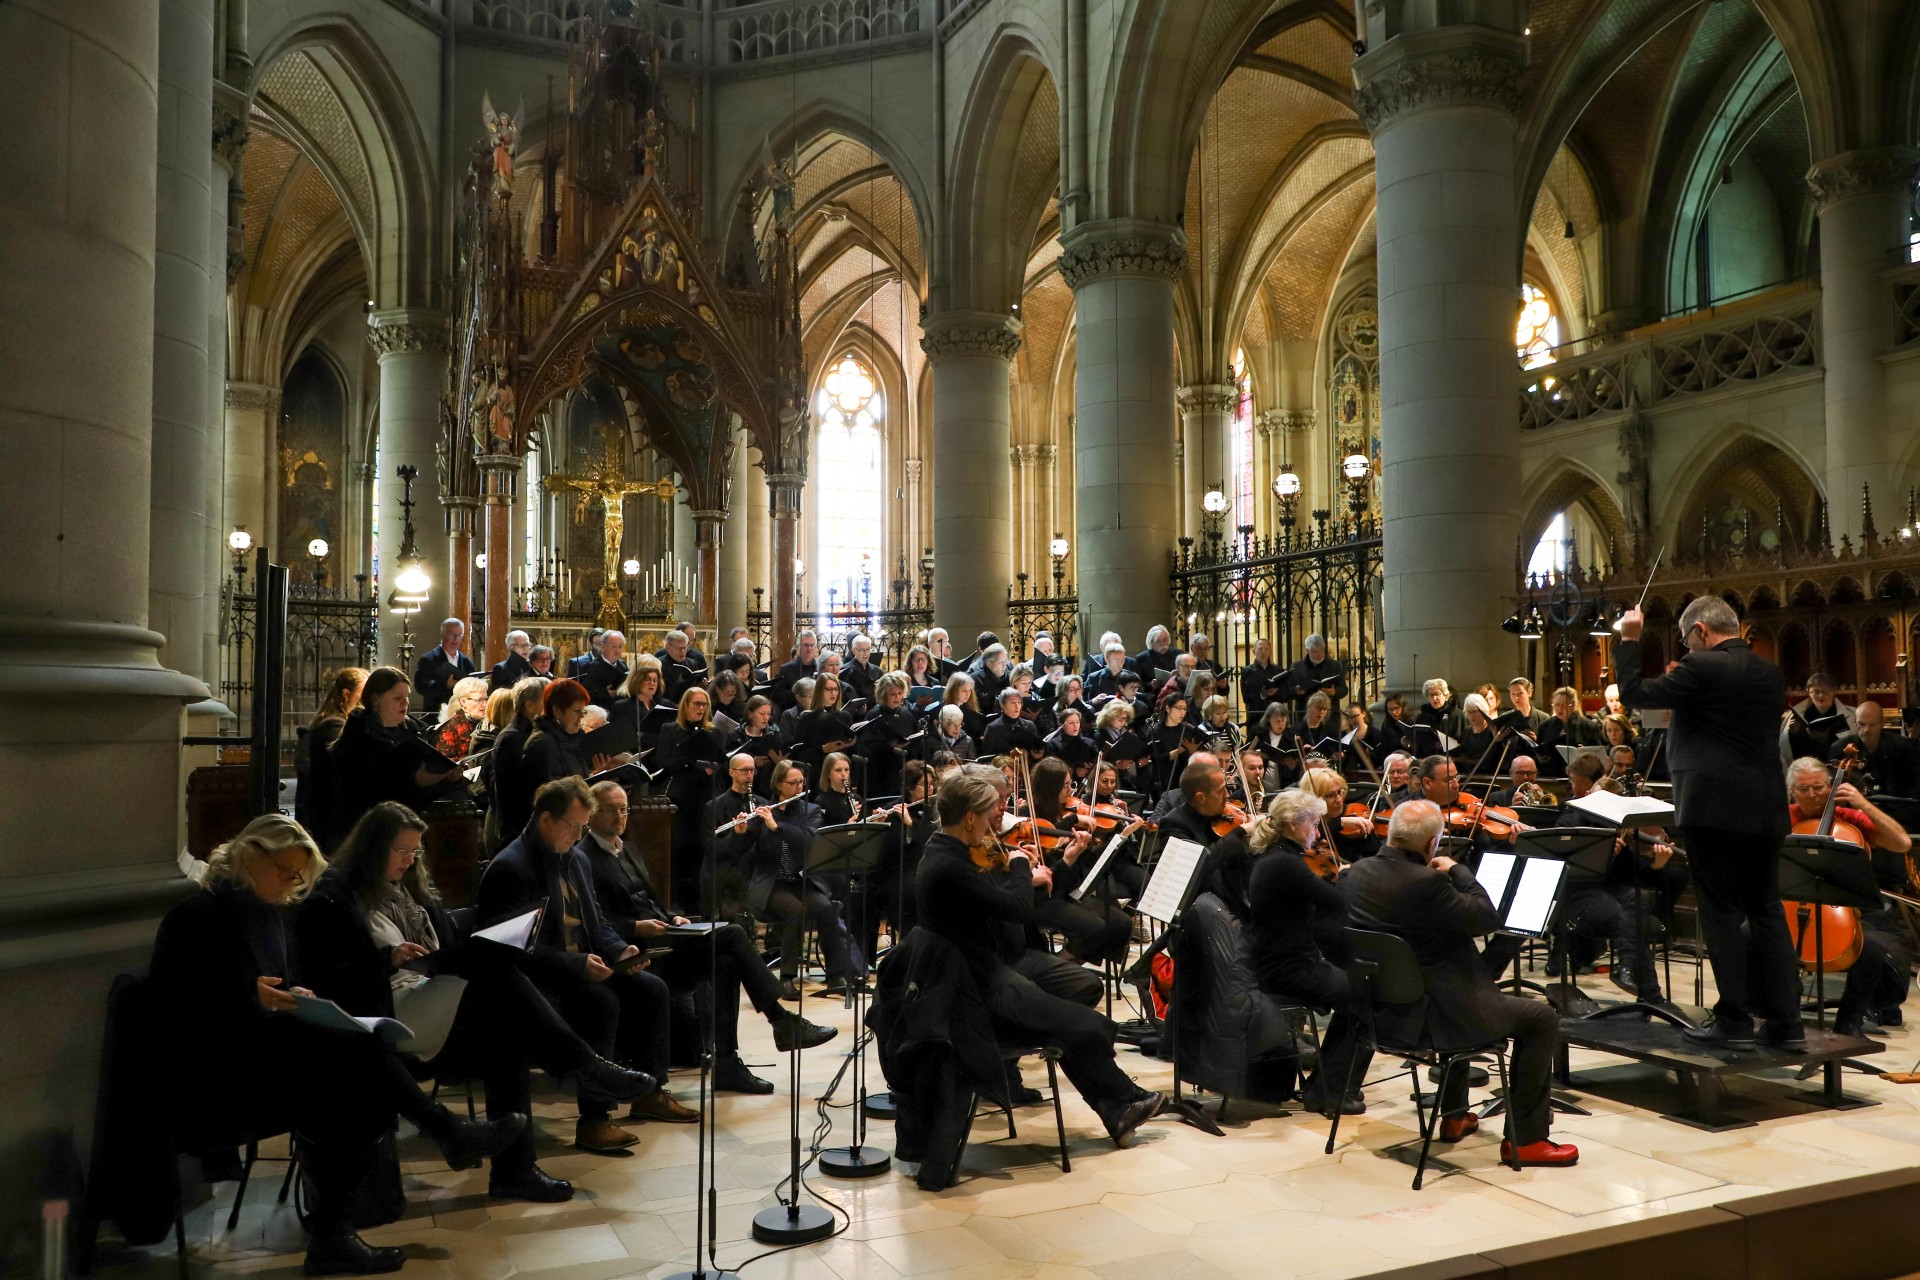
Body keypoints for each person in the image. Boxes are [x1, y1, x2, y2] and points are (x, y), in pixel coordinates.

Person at [149, 817, 524, 1275]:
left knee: (357, 1076)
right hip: (214, 1075)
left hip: (264, 1057)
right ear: (251, 855)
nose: (292, 883)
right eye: (286, 871)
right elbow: (176, 1013)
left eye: (298, 877)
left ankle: (338, 1230)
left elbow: (280, 983)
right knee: (356, 1061)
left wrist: (294, 994)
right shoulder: (194, 917)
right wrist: (255, 998)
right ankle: (434, 1137)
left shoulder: (270, 912)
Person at [297, 802, 658, 1203]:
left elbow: (444, 947)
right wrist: (386, 960)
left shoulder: (412, 890)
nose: (409, 860)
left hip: (430, 994)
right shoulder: (336, 898)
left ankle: (515, 1170)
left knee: (506, 1023)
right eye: (401, 851)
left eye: (415, 851)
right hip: (387, 1009)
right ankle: (583, 1068)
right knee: (499, 979)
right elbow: (327, 977)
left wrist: (458, 952)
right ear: (372, 848)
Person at [917, 765, 1164, 1145]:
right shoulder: (952, 866)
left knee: (1076, 1020)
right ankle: (1119, 1101)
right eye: (987, 815)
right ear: (969, 818)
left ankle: (1119, 1106)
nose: (990, 825)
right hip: (978, 989)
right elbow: (1015, 907)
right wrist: (1019, 865)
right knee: (1079, 1025)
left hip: (985, 973)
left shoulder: (951, 852)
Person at [1342, 800, 1577, 1166]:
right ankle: (1526, 1140)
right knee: (1541, 1018)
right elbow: (1486, 917)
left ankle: (1454, 1116)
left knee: (1458, 991)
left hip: (1378, 1015)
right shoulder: (1429, 882)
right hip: (1432, 1019)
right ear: (1432, 842)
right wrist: (1458, 870)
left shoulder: (1355, 873)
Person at [475, 777, 700, 1152]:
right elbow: (514, 952)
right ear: (546, 820)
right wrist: (579, 965)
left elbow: (598, 922)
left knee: (651, 988)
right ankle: (594, 1120)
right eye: (573, 827)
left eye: (583, 828)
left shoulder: (575, 858)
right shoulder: (511, 868)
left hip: (584, 964)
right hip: (538, 978)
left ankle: (650, 1091)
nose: (579, 836)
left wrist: (620, 950)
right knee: (601, 1002)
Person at [1617, 598, 1801, 1047]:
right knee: (1766, 910)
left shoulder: (1700, 668)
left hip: (1713, 808)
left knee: (1719, 912)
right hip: (1765, 807)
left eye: (1686, 639)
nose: (1687, 646)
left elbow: (1635, 695)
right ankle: (1785, 1022)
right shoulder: (1768, 672)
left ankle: (1735, 1019)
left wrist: (1628, 638)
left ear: (1700, 631)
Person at [579, 781, 834, 1092]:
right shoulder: (584, 858)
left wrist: (672, 916)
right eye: (610, 810)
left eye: (624, 809)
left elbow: (652, 900)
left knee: (726, 960)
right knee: (733, 935)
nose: (620, 817)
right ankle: (780, 1020)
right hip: (636, 953)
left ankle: (728, 1064)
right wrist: (636, 927)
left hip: (665, 939)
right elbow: (592, 922)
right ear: (591, 814)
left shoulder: (626, 847)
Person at [1243, 787, 1371, 1117]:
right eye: (1314, 825)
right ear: (1295, 825)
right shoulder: (1286, 864)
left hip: (1276, 962)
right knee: (1364, 998)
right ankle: (1328, 1091)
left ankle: (1327, 1085)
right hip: (1287, 969)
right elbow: (1336, 901)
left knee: (1354, 983)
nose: (1317, 832)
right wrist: (1348, 875)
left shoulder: (1273, 858)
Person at [1783, 757, 1913, 1036]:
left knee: (1873, 948)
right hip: (1796, 904)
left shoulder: (1850, 817)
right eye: (1803, 789)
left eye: (1818, 787)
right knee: (1752, 933)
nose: (1812, 795)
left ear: (1831, 786)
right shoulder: (1785, 817)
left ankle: (1849, 1023)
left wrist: (1862, 803)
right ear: (1792, 791)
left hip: (1844, 907)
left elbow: (1902, 843)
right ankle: (1773, 1013)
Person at [731, 760, 858, 996]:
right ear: (779, 785)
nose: (799, 787)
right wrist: (742, 832)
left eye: (801, 782)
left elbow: (810, 842)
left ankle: (836, 976)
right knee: (796, 911)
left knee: (826, 908)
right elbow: (744, 849)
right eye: (793, 783)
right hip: (772, 884)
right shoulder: (763, 810)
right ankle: (787, 978)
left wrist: (777, 826)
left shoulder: (811, 811)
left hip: (801, 881)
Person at [326, 667, 461, 850]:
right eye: (397, 698)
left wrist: (447, 777)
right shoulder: (358, 737)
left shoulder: (414, 729)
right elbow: (366, 791)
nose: (405, 703)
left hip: (409, 828)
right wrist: (413, 780)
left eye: (407, 697)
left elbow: (421, 789)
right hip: (367, 833)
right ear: (375, 699)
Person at [1024, 758, 1132, 967]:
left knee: (1122, 923)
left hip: (1064, 890)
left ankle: (1064, 965)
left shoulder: (1062, 813)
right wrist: (1071, 827)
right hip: (1042, 897)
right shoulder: (1029, 819)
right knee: (1096, 928)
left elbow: (1070, 878)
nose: (1070, 790)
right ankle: (1055, 967)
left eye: (1071, 784)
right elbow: (1051, 880)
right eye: (1066, 785)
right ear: (1051, 788)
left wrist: (1080, 851)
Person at [657, 685, 727, 912]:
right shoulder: (670, 729)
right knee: (678, 848)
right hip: (681, 796)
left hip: (706, 796)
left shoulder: (714, 732)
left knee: (701, 849)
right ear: (685, 705)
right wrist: (691, 763)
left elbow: (720, 762)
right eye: (696, 703)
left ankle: (699, 904)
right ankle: (675, 902)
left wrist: (712, 767)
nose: (701, 708)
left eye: (704, 704)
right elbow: (664, 761)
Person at [297, 666, 367, 841]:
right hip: (329, 814)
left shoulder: (339, 722)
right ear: (346, 694)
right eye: (363, 693)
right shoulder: (334, 726)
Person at [486, 678, 549, 853]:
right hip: (517, 832)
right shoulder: (512, 738)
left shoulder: (531, 733)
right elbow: (516, 792)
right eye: (547, 701)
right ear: (530, 705)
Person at [1830, 701, 1918, 799]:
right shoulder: (1840, 748)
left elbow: (1915, 788)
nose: (1867, 730)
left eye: (1872, 724)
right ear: (1854, 722)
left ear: (1882, 723)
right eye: (1862, 724)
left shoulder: (1904, 747)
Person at [413, 618, 476, 715]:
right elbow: (420, 687)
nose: (455, 639)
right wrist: (445, 685)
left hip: (462, 715)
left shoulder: (467, 662)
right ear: (443, 634)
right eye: (452, 634)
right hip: (436, 715)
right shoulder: (428, 659)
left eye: (459, 635)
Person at [1788, 671, 1857, 758]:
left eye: (1826, 691)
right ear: (1809, 692)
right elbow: (1789, 751)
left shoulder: (1851, 714)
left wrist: (1828, 739)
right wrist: (1793, 734)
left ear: (1834, 691)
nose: (1821, 696)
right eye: (1816, 692)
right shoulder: (1798, 714)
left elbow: (1852, 746)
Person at [1535, 685, 1599, 776]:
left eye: (1564, 705)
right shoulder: (1545, 726)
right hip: (1551, 774)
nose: (1560, 709)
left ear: (1573, 705)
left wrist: (1586, 752)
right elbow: (1539, 752)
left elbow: (1598, 752)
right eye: (1556, 705)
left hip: (1581, 774)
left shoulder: (1589, 726)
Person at [1284, 632, 1348, 714]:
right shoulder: (1297, 667)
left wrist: (1334, 692)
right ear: (1307, 650)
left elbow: (1344, 689)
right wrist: (1295, 690)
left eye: (1321, 650)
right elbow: (1287, 691)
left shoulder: (1334, 665)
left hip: (1329, 713)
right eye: (1314, 651)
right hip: (1305, 712)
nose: (1319, 654)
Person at [432, 675, 490, 761]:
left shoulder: (490, 721)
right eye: (479, 700)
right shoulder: (449, 728)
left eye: (485, 699)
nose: (484, 704)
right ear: (463, 702)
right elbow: (445, 762)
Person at [577, 629, 629, 709]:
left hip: (621, 711)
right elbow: (583, 693)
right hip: (601, 711)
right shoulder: (590, 667)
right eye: (614, 646)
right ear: (603, 647)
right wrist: (604, 692)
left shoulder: (623, 666)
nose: (617, 650)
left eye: (620, 647)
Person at [771, 629, 821, 710]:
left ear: (816, 648)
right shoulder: (786, 669)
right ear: (798, 648)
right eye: (805, 645)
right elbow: (777, 697)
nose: (809, 648)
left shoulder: (820, 668)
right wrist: (799, 694)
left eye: (812, 645)